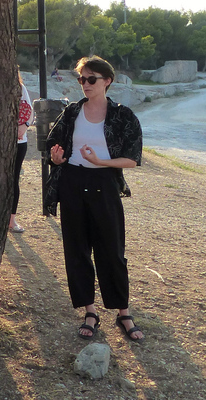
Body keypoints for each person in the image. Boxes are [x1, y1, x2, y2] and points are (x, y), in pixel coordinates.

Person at [45, 56, 145, 343]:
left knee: (111, 251)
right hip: (73, 183)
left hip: (104, 184)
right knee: (77, 251)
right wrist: (57, 157)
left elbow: (132, 160)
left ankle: (123, 312)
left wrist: (101, 161)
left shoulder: (123, 116)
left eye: (91, 79)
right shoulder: (71, 112)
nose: (85, 85)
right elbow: (54, 145)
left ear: (107, 81)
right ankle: (90, 311)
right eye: (81, 79)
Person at [10, 70, 34, 233]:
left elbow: (30, 113)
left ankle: (11, 220)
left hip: (19, 142)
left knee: (13, 180)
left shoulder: (20, 88)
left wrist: (24, 126)